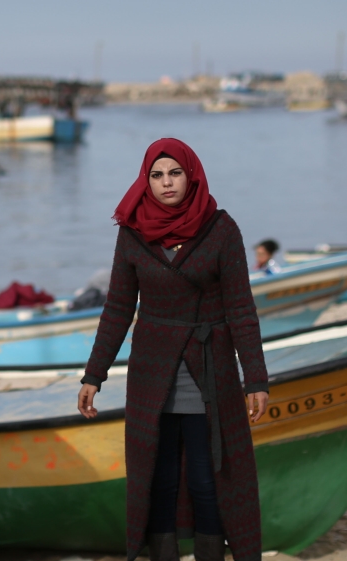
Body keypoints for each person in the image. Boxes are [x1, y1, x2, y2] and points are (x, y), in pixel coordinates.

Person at [77, 138, 269, 561]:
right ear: (146, 181)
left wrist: (255, 378)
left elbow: (241, 309)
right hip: (151, 375)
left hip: (210, 372)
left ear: (191, 175)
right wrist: (94, 374)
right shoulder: (133, 234)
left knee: (207, 480)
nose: (167, 183)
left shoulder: (221, 229)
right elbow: (118, 308)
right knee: (157, 482)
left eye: (175, 173)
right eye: (157, 175)